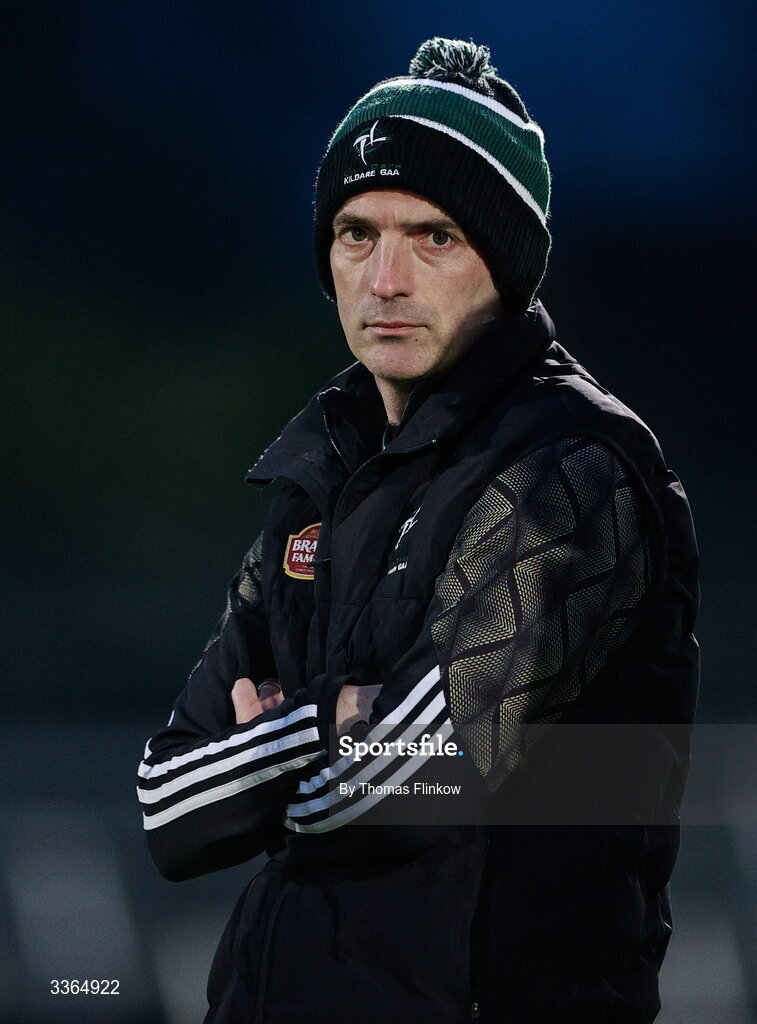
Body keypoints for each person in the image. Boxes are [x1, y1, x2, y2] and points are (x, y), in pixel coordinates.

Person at [137, 37, 699, 1024]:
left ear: (509, 260)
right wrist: (330, 720)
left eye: (434, 235)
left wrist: (276, 741)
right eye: (356, 233)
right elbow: (171, 806)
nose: (384, 277)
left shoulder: (568, 466)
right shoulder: (321, 469)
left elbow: (416, 776)